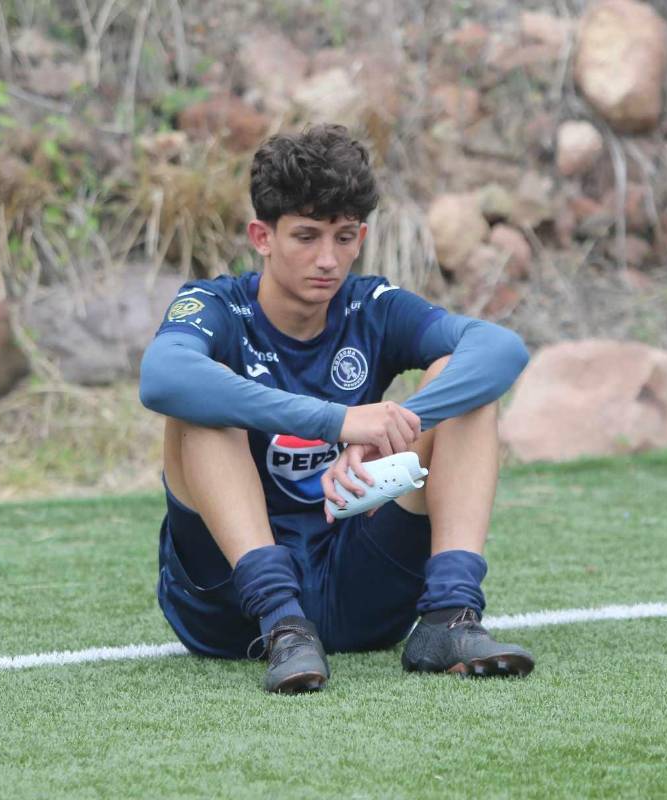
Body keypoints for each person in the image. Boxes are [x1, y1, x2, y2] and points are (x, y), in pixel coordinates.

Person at [138, 123, 535, 693]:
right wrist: (339, 420)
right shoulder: (216, 305)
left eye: (344, 237)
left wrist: (395, 426)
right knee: (200, 398)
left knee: (461, 379)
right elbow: (161, 378)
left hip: (356, 584)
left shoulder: (371, 304)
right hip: (233, 610)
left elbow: (502, 349)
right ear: (262, 235)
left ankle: (450, 616)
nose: (328, 259)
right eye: (306, 236)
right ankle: (284, 624)